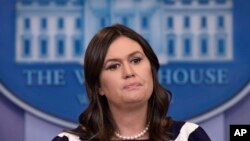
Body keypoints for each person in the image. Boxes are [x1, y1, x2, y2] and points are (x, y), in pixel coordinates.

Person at [52, 24, 211, 141]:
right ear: (98, 86)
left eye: (136, 60)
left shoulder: (189, 136)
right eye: (113, 66)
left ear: (151, 70)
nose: (129, 72)